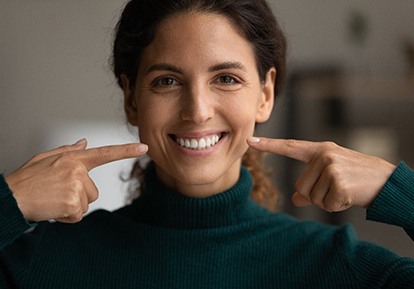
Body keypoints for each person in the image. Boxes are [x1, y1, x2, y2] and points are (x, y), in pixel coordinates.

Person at [1, 0, 414, 287]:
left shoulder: (334, 266)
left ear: (265, 94)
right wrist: (9, 199)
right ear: (131, 99)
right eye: (167, 81)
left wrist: (397, 190)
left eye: (226, 79)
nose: (197, 111)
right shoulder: (45, 262)